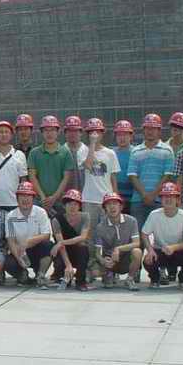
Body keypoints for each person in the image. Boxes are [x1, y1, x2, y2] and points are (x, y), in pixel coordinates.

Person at [78, 117, 120, 277]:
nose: (94, 134)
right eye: (91, 132)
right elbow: (88, 166)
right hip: (89, 199)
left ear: (103, 133)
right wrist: (92, 144)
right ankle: (92, 265)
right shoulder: (83, 150)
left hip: (107, 200)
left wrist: (115, 198)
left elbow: (113, 177)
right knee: (89, 235)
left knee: (109, 234)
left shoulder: (110, 153)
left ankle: (110, 268)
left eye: (97, 132)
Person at [140, 182, 183, 291]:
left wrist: (173, 247)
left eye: (172, 196)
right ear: (161, 199)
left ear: (177, 199)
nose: (168, 199)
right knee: (148, 260)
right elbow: (144, 233)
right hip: (160, 250)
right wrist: (150, 250)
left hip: (179, 251)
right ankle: (155, 279)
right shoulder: (154, 215)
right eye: (165, 196)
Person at [127, 114, 175, 228]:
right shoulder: (135, 151)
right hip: (138, 200)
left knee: (160, 234)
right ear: (143, 130)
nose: (150, 131)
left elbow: (167, 176)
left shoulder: (167, 150)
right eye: (148, 128)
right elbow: (132, 175)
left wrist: (153, 195)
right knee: (138, 234)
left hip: (160, 200)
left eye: (153, 128)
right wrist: (144, 195)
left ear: (159, 131)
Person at [4, 182, 53, 287]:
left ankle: (40, 275)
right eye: (22, 195)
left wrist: (28, 242)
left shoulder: (41, 212)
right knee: (8, 262)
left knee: (48, 245)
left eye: (28, 196)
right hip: (20, 252)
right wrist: (18, 258)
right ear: (17, 198)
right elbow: (11, 241)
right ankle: (23, 276)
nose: (25, 199)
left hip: (36, 250)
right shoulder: (10, 216)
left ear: (33, 198)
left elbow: (46, 235)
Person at [27, 115, 76, 217]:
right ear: (42, 132)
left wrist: (54, 197)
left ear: (58, 132)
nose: (49, 133)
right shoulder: (34, 153)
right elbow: (32, 176)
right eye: (46, 130)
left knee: (59, 226)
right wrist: (43, 197)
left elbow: (66, 178)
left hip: (60, 201)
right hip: (39, 200)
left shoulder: (65, 152)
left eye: (53, 130)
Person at [95, 193, 142, 291]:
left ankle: (130, 279)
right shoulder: (100, 227)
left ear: (121, 207)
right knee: (95, 271)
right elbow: (97, 252)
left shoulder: (131, 221)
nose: (112, 207)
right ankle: (109, 274)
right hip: (110, 259)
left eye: (115, 203)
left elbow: (137, 243)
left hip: (126, 258)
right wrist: (103, 261)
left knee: (137, 252)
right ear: (105, 208)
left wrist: (118, 249)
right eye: (108, 204)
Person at [50, 189, 91, 291]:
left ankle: (81, 281)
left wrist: (62, 242)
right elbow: (61, 245)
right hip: (63, 251)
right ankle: (61, 274)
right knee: (58, 255)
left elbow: (83, 237)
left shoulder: (85, 217)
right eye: (69, 204)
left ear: (79, 206)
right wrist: (68, 265)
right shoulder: (56, 220)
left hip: (77, 249)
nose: (72, 207)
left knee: (83, 247)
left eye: (75, 204)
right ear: (64, 206)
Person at [112, 120, 136, 209]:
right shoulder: (111, 153)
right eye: (119, 135)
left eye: (125, 135)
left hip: (134, 197)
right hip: (115, 197)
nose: (122, 138)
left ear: (131, 136)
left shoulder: (136, 152)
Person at [61, 116, 88, 192]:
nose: (72, 134)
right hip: (65, 194)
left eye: (75, 131)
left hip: (86, 194)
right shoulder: (60, 152)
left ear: (81, 133)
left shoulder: (88, 151)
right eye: (69, 131)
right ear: (65, 133)